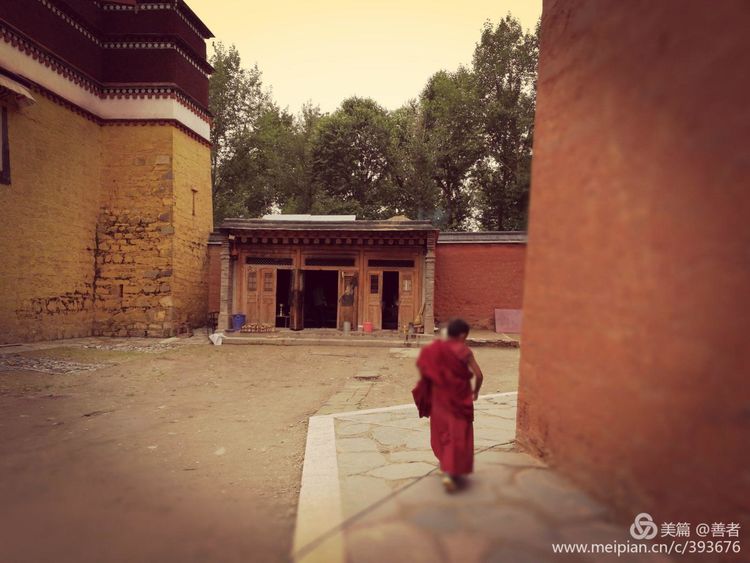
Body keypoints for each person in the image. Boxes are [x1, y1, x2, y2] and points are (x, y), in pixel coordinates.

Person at [413, 318, 484, 492]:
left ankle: (445, 466)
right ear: (461, 335)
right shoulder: (464, 351)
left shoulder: (436, 349)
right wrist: (476, 391)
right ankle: (451, 472)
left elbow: (427, 372)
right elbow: (479, 374)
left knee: (443, 432)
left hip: (440, 400)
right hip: (460, 399)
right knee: (459, 433)